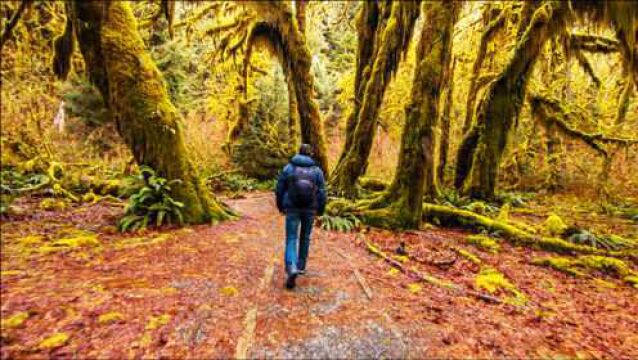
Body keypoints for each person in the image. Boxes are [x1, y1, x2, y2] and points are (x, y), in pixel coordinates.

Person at [275, 144, 326, 289]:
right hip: (310, 209)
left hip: (292, 208)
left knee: (291, 237)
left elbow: (279, 189)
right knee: (305, 236)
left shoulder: (288, 168)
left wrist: (280, 206)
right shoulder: (317, 171)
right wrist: (320, 210)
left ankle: (291, 267)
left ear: (298, 153)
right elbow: (322, 193)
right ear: (310, 154)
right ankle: (301, 265)